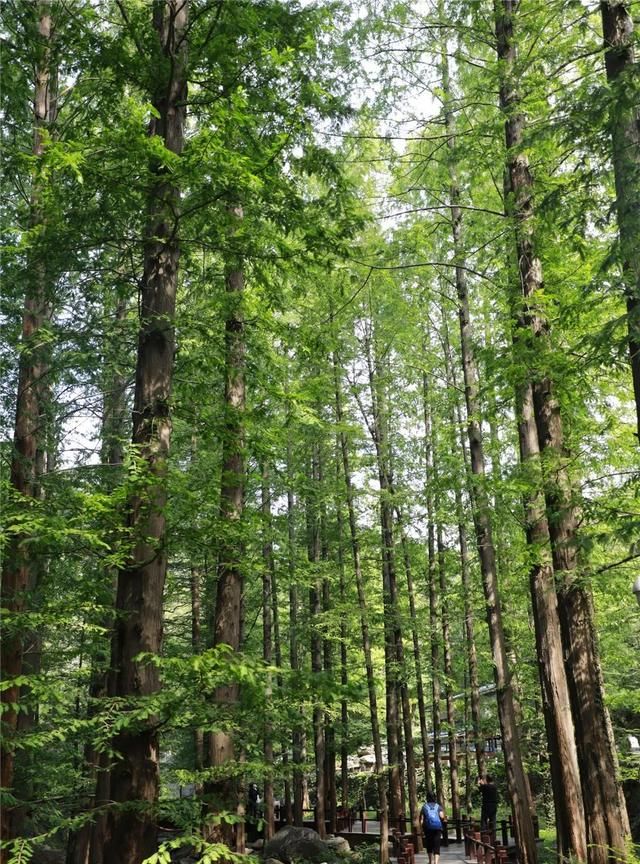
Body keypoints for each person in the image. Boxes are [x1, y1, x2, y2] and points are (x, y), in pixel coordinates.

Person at [421, 791, 446, 864]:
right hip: (437, 828)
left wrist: (422, 829)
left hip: (428, 828)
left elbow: (422, 820)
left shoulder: (424, 806)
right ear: (434, 797)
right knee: (436, 845)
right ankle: (436, 862)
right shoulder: (438, 806)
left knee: (429, 845)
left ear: (427, 798)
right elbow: (442, 816)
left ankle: (430, 861)